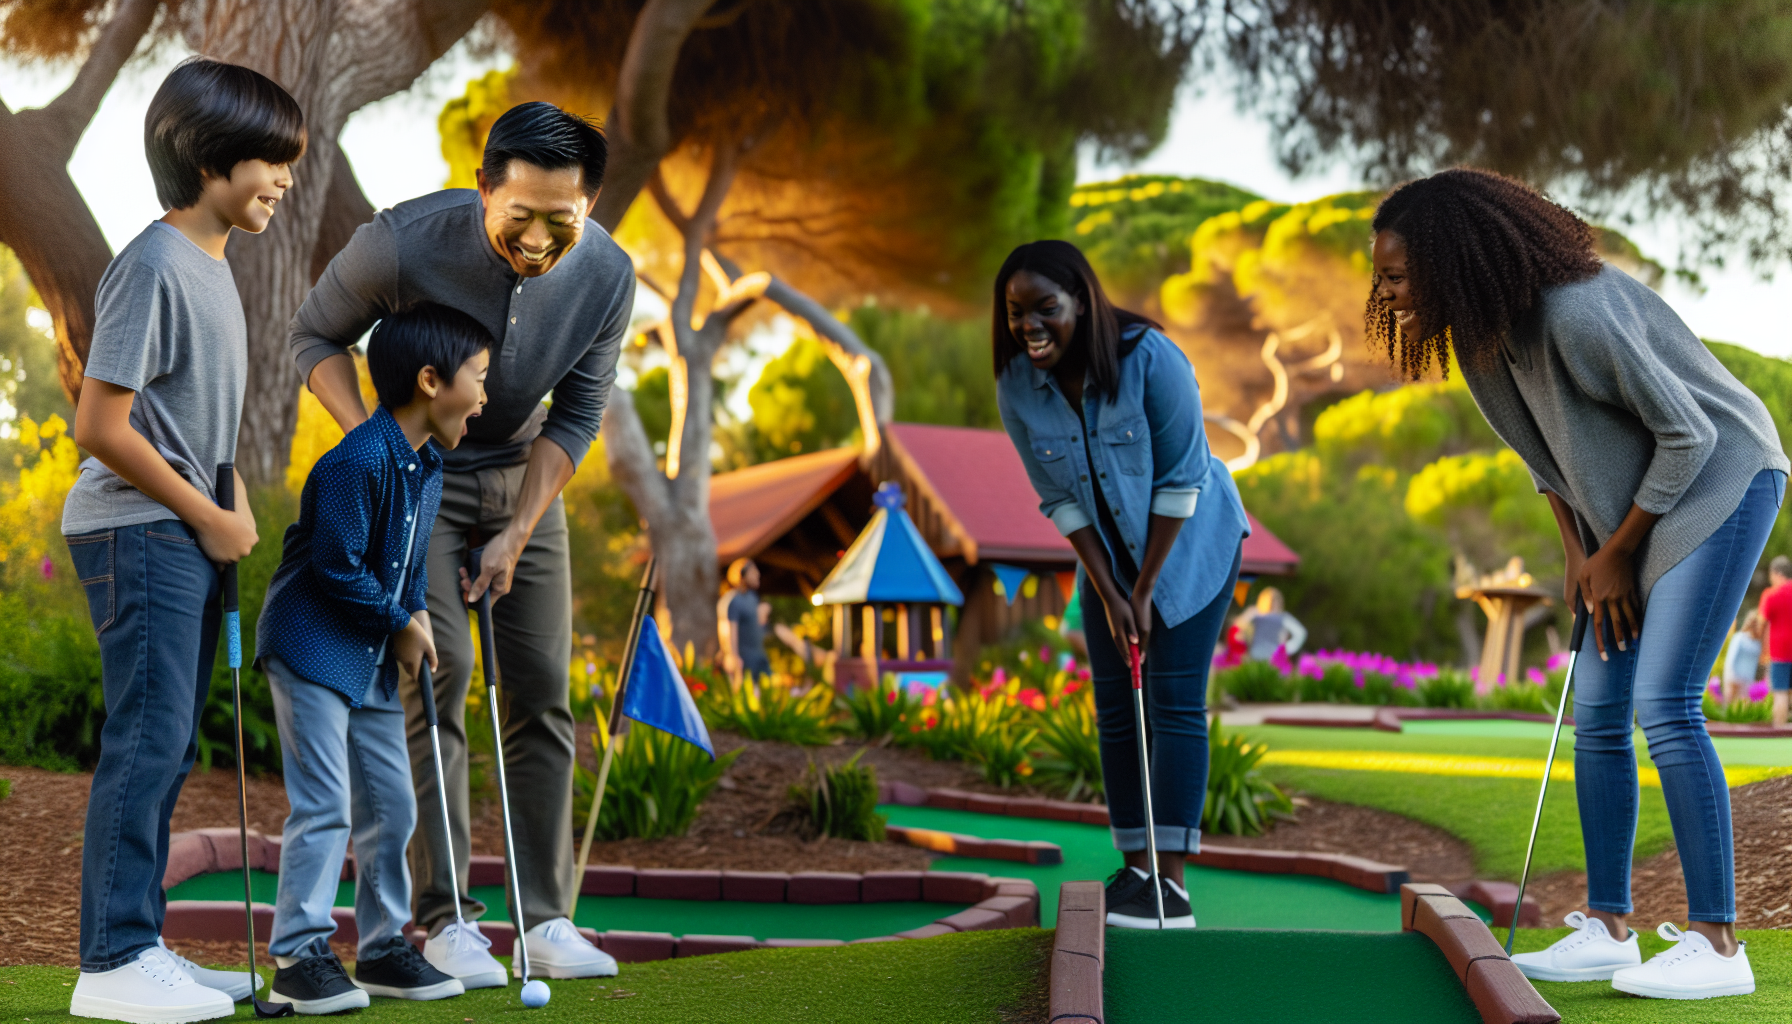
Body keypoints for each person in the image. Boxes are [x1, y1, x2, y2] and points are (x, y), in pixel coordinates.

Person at [1369, 168, 1788, 1000]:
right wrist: (1577, 553)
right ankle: (1607, 929)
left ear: (1454, 261)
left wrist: (1620, 549)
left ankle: (1719, 945)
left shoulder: (1578, 312)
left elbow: (1691, 433)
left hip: (1723, 479)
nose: (1385, 294)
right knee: (1596, 709)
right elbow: (1546, 460)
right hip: (1633, 509)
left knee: (1664, 701)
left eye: (1397, 275)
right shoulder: (1481, 340)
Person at [291, 101, 635, 983]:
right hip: (421, 483)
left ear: (589, 207)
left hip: (525, 478)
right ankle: (444, 921)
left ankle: (547, 918)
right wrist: (382, 445)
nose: (539, 238)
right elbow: (315, 332)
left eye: (563, 221)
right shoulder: (399, 243)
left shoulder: (608, 276)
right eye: (519, 216)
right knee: (434, 679)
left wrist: (519, 528)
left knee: (543, 694)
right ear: (483, 187)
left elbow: (582, 411)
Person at [61, 58, 301, 1024]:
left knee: (166, 745)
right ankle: (111, 961)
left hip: (184, 533)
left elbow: (194, 423)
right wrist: (208, 515)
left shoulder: (214, 267)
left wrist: (225, 503)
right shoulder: (153, 265)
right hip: (138, 530)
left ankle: (142, 943)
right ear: (209, 159)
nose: (284, 180)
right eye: (271, 161)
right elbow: (100, 425)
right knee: (147, 740)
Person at [994, 239, 1250, 930]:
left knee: (1170, 701)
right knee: (1114, 708)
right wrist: (1111, 592)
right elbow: (1062, 501)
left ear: (1083, 301)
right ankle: (1136, 872)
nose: (1030, 325)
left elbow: (1182, 481)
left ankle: (1173, 889)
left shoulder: (1151, 359)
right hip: (1106, 560)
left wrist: (1143, 593)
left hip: (1191, 542)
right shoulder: (1018, 386)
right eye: (1017, 312)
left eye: (1047, 308)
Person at [254, 305, 490, 1012]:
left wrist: (416, 614)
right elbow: (335, 566)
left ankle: (385, 948)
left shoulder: (428, 469)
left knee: (392, 804)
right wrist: (401, 622)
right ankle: (298, 955)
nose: (484, 397)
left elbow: (408, 567)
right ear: (429, 381)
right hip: (312, 648)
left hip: (374, 657)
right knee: (326, 803)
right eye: (477, 379)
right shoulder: (354, 462)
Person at [719, 558, 773, 683]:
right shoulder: (734, 601)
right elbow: (729, 630)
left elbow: (757, 627)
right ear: (741, 575)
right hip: (744, 660)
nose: (758, 574)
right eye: (753, 571)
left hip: (759, 656)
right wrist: (733, 656)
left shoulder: (753, 598)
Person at [1758, 555, 1792, 727]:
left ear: (1777, 573)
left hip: (1780, 652)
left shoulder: (1770, 595)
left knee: (1780, 693)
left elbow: (1760, 624)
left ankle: (1779, 731)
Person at [1243, 587, 1307, 663]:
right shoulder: (1257, 614)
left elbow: (1301, 633)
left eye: (1276, 601)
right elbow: (1239, 628)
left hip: (1269, 658)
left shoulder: (1282, 617)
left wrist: (1285, 649)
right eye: (1273, 600)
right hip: (1259, 656)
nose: (1274, 603)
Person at [1720, 610, 1764, 706]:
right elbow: (1731, 658)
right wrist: (1732, 675)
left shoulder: (1757, 643)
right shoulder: (1739, 638)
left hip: (1747, 679)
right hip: (1734, 676)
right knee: (1729, 703)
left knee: (1741, 706)